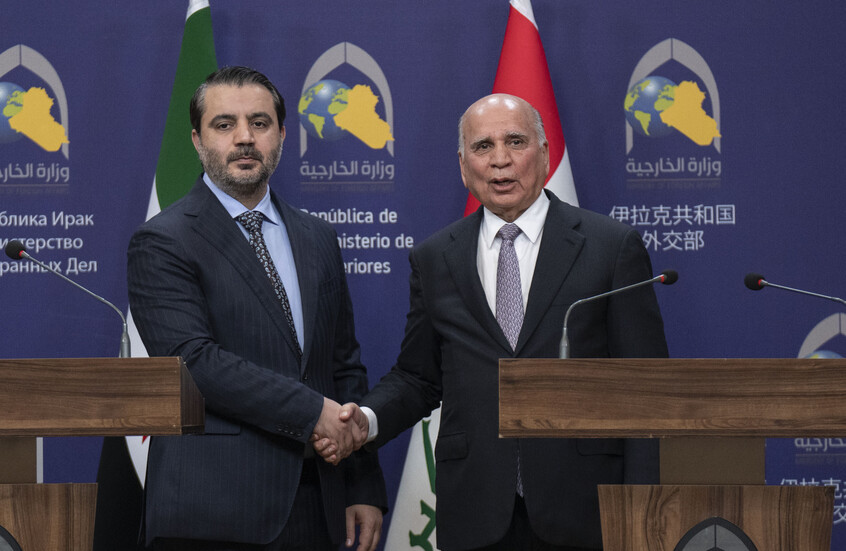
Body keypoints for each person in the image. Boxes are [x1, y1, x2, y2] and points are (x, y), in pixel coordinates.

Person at [315, 93, 668, 550]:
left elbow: (646, 388)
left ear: (544, 154)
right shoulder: (435, 258)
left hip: (586, 506)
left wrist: (643, 510)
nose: (500, 160)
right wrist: (366, 420)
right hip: (475, 508)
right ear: (464, 166)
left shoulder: (610, 247)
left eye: (515, 141)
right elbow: (418, 376)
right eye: (483, 146)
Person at [127, 66, 386, 551]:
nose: (244, 137)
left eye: (260, 123)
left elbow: (343, 364)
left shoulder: (318, 237)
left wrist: (362, 485)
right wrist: (313, 411)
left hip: (318, 505)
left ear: (282, 135)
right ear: (197, 140)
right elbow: (195, 362)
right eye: (224, 124)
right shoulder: (162, 241)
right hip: (212, 511)